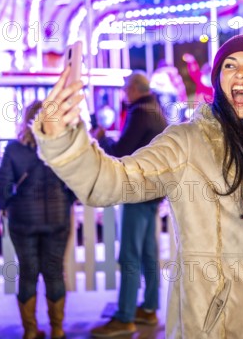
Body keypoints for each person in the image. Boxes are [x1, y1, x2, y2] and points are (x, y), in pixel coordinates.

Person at [31, 34, 243, 338]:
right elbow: (111, 181)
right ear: (218, 80)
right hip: (213, 325)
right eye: (229, 65)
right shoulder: (187, 142)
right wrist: (62, 140)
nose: (240, 73)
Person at [90, 73, 168, 337]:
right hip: (154, 191)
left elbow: (121, 151)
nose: (124, 93)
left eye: (125, 88)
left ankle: (124, 316)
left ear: (134, 89)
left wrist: (102, 137)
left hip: (138, 191)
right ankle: (149, 306)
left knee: (130, 256)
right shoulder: (156, 110)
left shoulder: (139, 113)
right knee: (148, 254)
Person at [0, 100, 76, 339]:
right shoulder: (62, 148)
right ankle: (58, 329)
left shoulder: (14, 149)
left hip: (23, 221)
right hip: (57, 219)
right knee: (54, 271)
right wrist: (66, 201)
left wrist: (8, 206)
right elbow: (74, 182)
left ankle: (30, 331)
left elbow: (2, 184)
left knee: (28, 272)